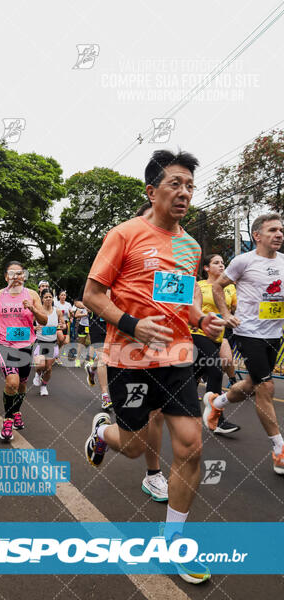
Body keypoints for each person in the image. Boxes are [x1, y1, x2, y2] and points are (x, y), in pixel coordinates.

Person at [83, 150, 223, 584]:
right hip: (128, 357)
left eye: (189, 186)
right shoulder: (125, 234)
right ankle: (101, 432)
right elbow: (92, 295)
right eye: (175, 184)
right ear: (152, 190)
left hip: (177, 357)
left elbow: (183, 298)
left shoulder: (191, 246)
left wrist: (201, 319)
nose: (184, 193)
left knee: (191, 445)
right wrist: (132, 324)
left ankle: (172, 543)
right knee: (134, 445)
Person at [209, 213, 284, 475]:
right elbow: (218, 286)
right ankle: (279, 449)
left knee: (252, 384)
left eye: (281, 230)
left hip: (274, 333)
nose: (279, 234)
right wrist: (226, 315)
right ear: (257, 236)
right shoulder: (243, 261)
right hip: (249, 332)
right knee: (266, 385)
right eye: (273, 230)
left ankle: (216, 405)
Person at [0, 262, 47, 440]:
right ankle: (8, 420)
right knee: (12, 383)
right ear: (6, 277)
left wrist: (32, 308)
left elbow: (44, 320)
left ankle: (16, 412)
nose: (16, 277)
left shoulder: (32, 295)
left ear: (24, 276)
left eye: (19, 274)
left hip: (26, 344)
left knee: (23, 383)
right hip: (5, 343)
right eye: (12, 274)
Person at [190, 254, 241, 435]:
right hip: (197, 333)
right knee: (215, 368)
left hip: (219, 336)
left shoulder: (229, 289)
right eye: (216, 263)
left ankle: (180, 404)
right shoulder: (198, 286)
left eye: (222, 263)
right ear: (206, 268)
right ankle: (217, 419)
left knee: (194, 374)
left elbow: (234, 309)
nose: (221, 265)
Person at [33, 288, 64, 395]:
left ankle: (44, 386)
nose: (48, 299)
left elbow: (64, 324)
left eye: (50, 297)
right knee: (40, 366)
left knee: (48, 369)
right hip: (40, 342)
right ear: (42, 299)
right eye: (46, 297)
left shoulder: (57, 311)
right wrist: (33, 327)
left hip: (52, 343)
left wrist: (61, 326)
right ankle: (37, 374)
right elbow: (28, 323)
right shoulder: (37, 310)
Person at [85, 305, 112, 410]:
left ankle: (91, 368)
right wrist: (90, 305)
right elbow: (80, 301)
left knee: (108, 358)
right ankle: (105, 396)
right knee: (102, 358)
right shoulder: (93, 287)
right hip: (97, 325)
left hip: (113, 324)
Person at [54, 290, 73, 356]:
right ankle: (58, 354)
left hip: (66, 323)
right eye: (61, 295)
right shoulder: (56, 304)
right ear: (59, 296)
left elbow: (71, 315)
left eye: (64, 295)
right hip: (59, 323)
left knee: (66, 341)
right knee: (60, 340)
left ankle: (59, 353)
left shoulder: (68, 304)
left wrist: (71, 316)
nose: (63, 296)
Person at [74, 300, 91, 367]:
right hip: (83, 326)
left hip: (90, 326)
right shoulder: (82, 306)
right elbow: (76, 315)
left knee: (90, 343)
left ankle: (90, 360)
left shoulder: (92, 305)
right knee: (81, 344)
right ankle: (77, 360)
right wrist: (85, 314)